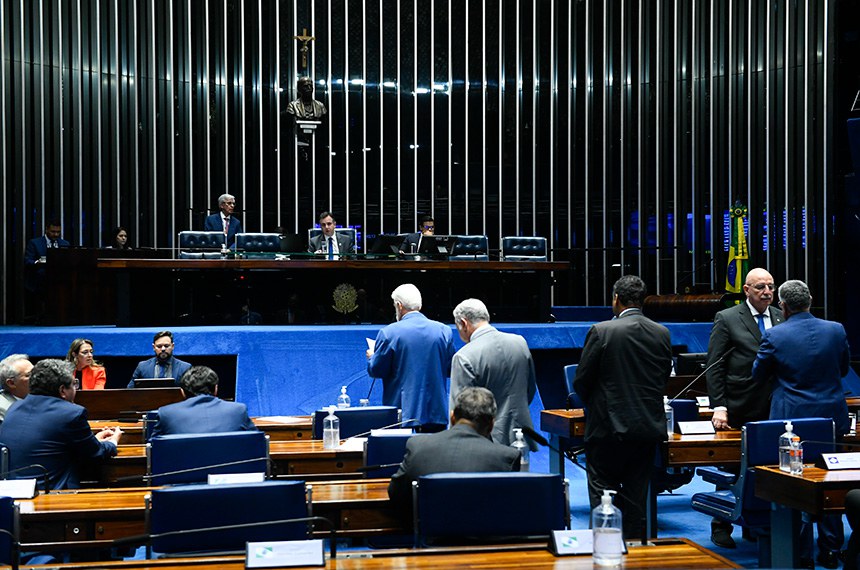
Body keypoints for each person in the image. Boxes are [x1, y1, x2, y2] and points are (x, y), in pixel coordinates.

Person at [751, 279, 849, 569]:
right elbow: (843, 369)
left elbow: (758, 375)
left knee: (793, 485)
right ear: (810, 300)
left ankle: (801, 553)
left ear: (783, 306)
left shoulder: (774, 335)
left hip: (791, 419)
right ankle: (831, 549)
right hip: (831, 418)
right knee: (831, 478)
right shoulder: (836, 329)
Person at [573, 275, 672, 541]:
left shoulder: (601, 330)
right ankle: (633, 550)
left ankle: (605, 547)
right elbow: (663, 377)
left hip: (607, 428)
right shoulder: (661, 332)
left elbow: (581, 380)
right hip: (647, 427)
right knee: (636, 497)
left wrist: (596, 404)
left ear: (616, 298)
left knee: (602, 491)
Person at [705, 267, 784, 548]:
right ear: (746, 290)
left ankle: (756, 523)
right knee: (732, 465)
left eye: (771, 286)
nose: (767, 292)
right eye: (760, 287)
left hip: (775, 405)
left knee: (769, 467)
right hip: (740, 403)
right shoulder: (727, 318)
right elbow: (715, 365)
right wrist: (719, 406)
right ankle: (720, 523)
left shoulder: (781, 316)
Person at [387, 387, 521, 520]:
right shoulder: (506, 457)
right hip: (484, 532)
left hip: (430, 532)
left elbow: (396, 494)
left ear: (452, 417)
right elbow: (511, 508)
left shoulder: (418, 446)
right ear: (491, 425)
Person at [0, 359, 122, 490]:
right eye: (74, 384)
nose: (75, 389)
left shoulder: (14, 408)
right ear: (63, 390)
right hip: (50, 494)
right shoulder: (72, 413)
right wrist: (112, 442)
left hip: (12, 491)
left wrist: (94, 440)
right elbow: (96, 454)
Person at [366, 283, 455, 432]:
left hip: (401, 415)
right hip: (435, 414)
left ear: (399, 305)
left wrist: (372, 357)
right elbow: (450, 369)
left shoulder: (388, 333)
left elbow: (377, 370)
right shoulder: (444, 331)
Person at [450, 298, 538, 448]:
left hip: (485, 440)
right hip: (521, 434)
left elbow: (460, 412)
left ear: (463, 324)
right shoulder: (520, 342)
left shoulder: (464, 356)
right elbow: (530, 389)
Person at [150, 365, 257, 437]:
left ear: (182, 392)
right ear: (216, 389)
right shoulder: (238, 410)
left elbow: (154, 450)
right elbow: (257, 444)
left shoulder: (166, 414)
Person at [127, 331, 193, 388]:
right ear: (154, 347)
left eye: (166, 346)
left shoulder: (185, 368)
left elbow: (191, 394)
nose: (163, 349)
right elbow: (130, 391)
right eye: (159, 346)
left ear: (172, 346)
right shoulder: (142, 367)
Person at [23, 219, 70, 299]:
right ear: (46, 229)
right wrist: (37, 262)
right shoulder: (35, 243)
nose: (56, 234)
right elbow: (27, 261)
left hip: (58, 285)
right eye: (53, 232)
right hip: (38, 285)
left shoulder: (65, 244)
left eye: (58, 232)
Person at [0, 354, 32, 421]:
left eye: (36, 372)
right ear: (11, 383)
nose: (37, 377)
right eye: (29, 375)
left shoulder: (41, 397)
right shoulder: (2, 410)